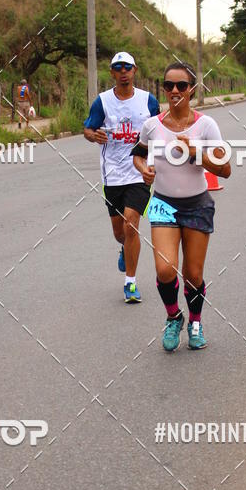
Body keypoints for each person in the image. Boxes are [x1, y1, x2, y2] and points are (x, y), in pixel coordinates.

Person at [132, 61, 230, 352]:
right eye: (168, 86)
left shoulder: (206, 125)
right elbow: (137, 154)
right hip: (163, 203)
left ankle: (196, 322)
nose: (175, 91)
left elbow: (225, 169)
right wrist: (143, 170)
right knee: (164, 270)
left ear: (192, 89)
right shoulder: (152, 126)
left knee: (194, 274)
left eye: (181, 86)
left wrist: (195, 153)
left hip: (197, 204)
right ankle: (174, 316)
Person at [83, 51, 159, 303]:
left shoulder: (148, 101)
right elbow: (87, 129)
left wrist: (157, 162)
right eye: (118, 67)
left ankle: (131, 283)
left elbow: (159, 131)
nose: (123, 71)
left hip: (139, 172)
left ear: (135, 70)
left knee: (131, 224)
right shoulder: (102, 102)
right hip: (112, 175)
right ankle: (125, 250)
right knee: (120, 232)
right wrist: (94, 136)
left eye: (127, 67)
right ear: (112, 72)